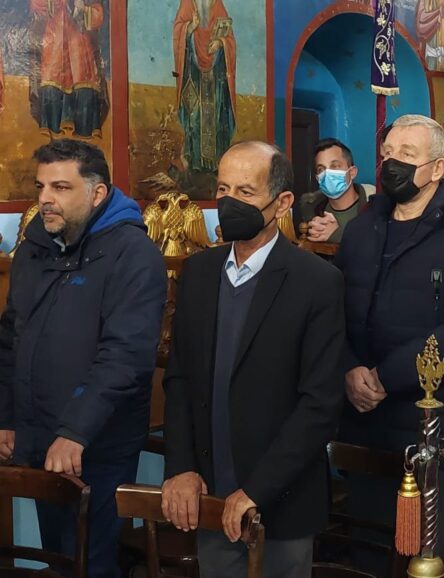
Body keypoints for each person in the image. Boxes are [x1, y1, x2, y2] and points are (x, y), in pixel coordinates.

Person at [161, 141, 345, 578]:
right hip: (210, 492)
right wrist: (181, 467)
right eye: (223, 190)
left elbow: (319, 404)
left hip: (281, 501)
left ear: (282, 202)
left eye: (245, 192)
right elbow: (180, 378)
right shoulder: (199, 273)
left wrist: (256, 490)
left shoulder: (316, 282)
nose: (230, 203)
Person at [335, 114, 444, 577]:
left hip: (433, 428)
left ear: (437, 168)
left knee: (436, 559)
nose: (392, 164)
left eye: (407, 155)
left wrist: (387, 376)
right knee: (368, 554)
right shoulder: (361, 231)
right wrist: (348, 368)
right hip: (363, 424)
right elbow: (332, 314)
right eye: (388, 153)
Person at [0, 139, 167, 578]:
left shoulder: (133, 254)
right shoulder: (35, 247)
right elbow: (10, 339)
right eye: (41, 186)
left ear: (97, 193)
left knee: (90, 563)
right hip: (40, 436)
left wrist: (75, 431)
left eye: (60, 187)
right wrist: (7, 418)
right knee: (58, 561)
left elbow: (125, 356)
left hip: (97, 444)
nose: (45, 199)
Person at [29, 0, 110, 137]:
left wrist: (84, 9)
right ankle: (52, 125)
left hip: (79, 41)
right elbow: (36, 5)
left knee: (83, 77)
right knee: (52, 76)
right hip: (55, 37)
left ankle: (83, 127)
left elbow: (98, 15)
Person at [173, 0, 237, 171]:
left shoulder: (217, 4)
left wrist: (221, 43)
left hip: (215, 76)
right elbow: (178, 31)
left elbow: (230, 38)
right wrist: (189, 28)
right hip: (193, 73)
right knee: (194, 115)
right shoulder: (188, 4)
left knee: (216, 116)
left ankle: (216, 163)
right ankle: (194, 161)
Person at [297, 138, 368, 243]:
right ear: (317, 178)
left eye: (335, 166)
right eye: (321, 169)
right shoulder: (311, 209)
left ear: (352, 172)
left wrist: (336, 234)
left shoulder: (372, 208)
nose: (327, 174)